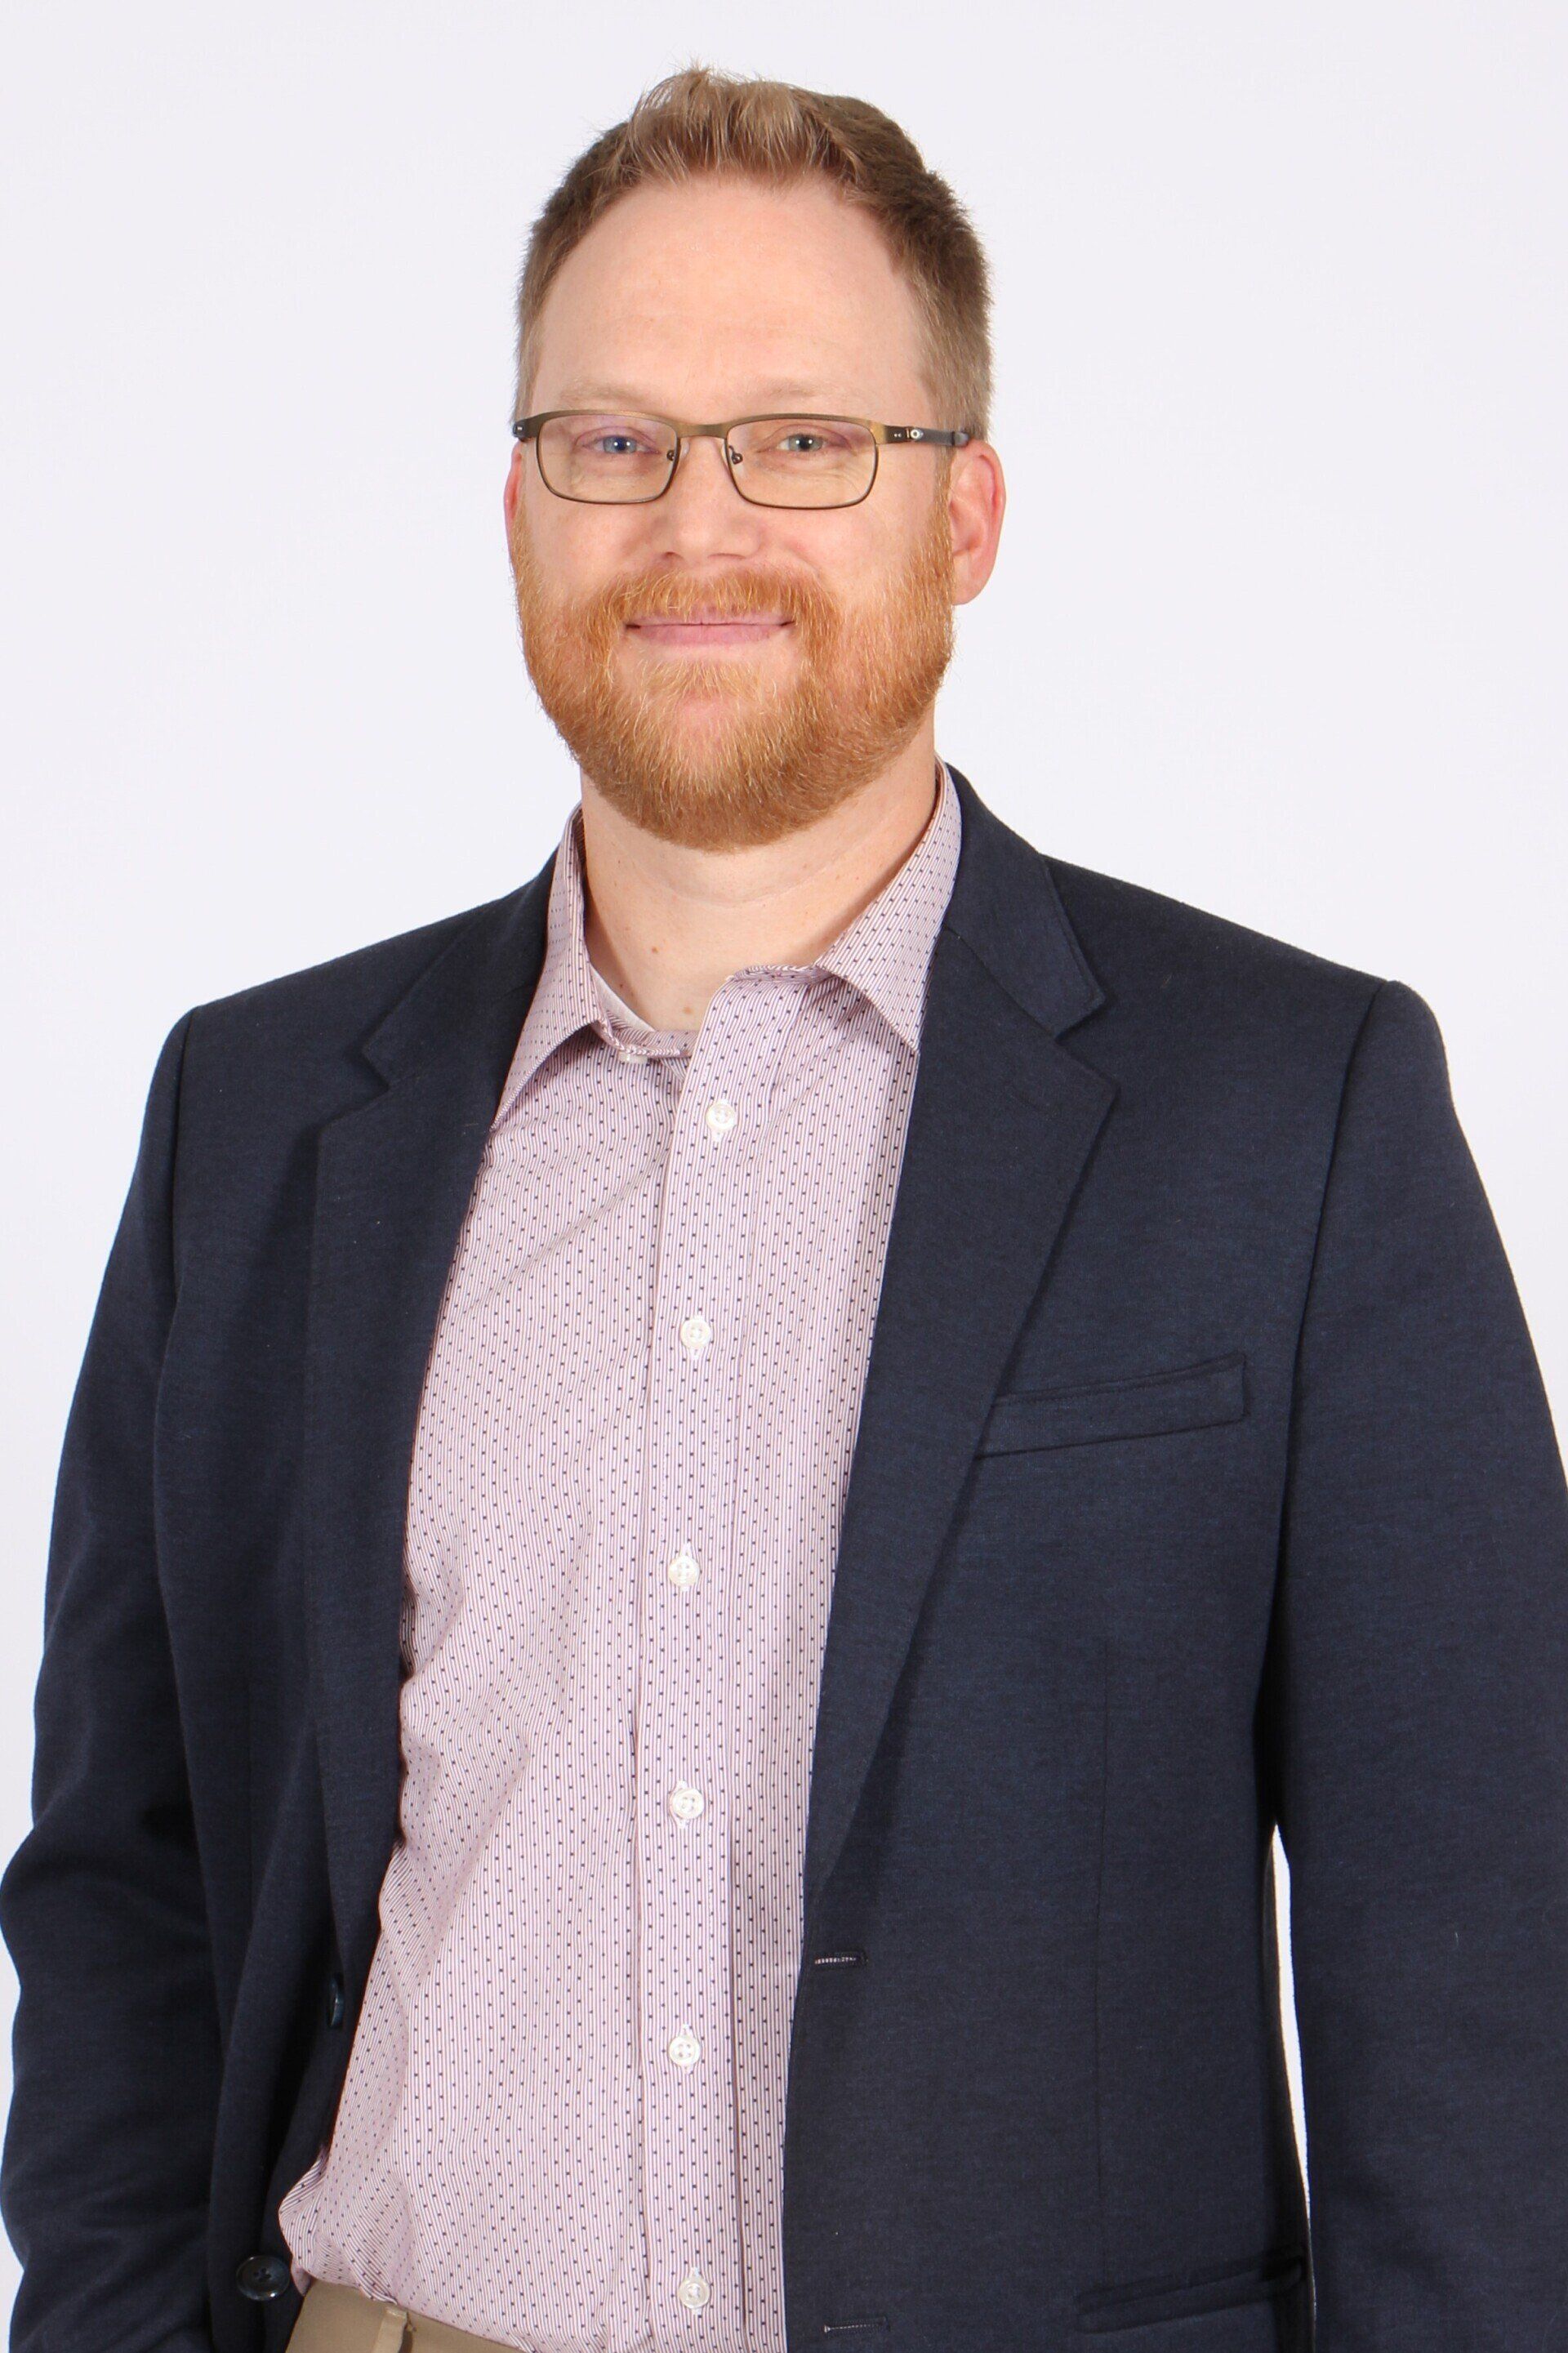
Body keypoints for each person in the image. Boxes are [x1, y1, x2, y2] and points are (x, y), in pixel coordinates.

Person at [3, 61, 1566, 2353]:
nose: (694, 523)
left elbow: (1485, 1959)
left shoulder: (1296, 1115)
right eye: (612, 442)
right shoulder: (258, 1125)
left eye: (805, 442)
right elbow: (129, 1893)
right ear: (520, 506)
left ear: (969, 515)